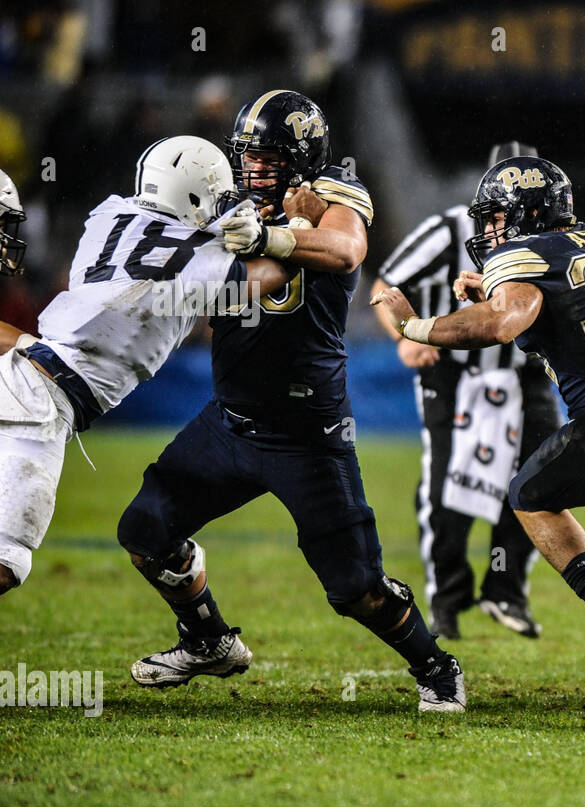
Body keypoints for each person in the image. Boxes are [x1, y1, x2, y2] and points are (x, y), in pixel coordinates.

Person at [119, 92, 466, 714]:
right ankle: (208, 639)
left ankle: (437, 667)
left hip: (307, 432)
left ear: (303, 158)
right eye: (247, 155)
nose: (253, 169)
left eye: (269, 157)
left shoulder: (334, 191)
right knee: (145, 529)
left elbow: (346, 251)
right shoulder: (225, 200)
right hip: (229, 420)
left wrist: (273, 236)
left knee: (357, 590)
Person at [373, 155, 585, 681]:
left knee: (528, 495)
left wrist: (414, 327)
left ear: (529, 214)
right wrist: (496, 295)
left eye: (497, 217)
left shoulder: (521, 254)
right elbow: (554, 303)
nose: (489, 230)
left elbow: (501, 322)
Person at [0, 139, 289, 596]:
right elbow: (273, 274)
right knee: (4, 562)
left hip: (26, 371)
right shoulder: (199, 261)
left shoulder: (107, 216)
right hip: (39, 405)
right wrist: (286, 231)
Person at [370, 142, 561, 640]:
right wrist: (403, 340)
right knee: (444, 488)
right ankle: (447, 602)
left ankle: (506, 591)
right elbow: (385, 285)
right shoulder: (451, 229)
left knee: (540, 482)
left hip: (526, 374)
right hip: (453, 371)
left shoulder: (559, 241)